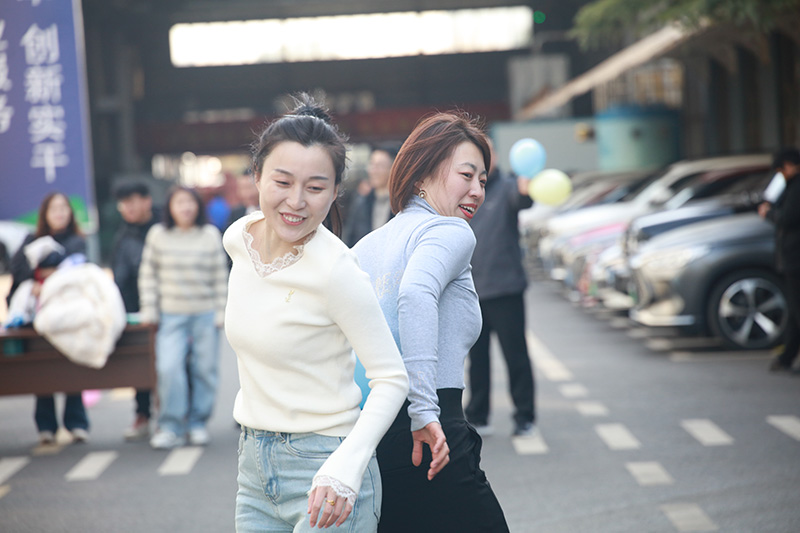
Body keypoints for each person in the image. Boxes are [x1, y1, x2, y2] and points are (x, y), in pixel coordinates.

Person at [223, 94, 408, 532]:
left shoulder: (336, 270)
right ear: (257, 175)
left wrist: (348, 465)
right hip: (253, 469)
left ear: (335, 191)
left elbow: (391, 378)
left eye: (315, 187)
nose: (296, 201)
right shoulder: (238, 240)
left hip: (328, 471)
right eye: (282, 182)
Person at [353, 112, 510, 532]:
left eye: (483, 180)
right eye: (466, 175)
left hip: (373, 434)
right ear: (422, 173)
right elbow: (415, 293)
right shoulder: (449, 232)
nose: (477, 190)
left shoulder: (365, 246)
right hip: (432, 429)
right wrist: (424, 410)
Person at [138, 186, 229, 449]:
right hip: (170, 314)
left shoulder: (210, 235)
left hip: (205, 314)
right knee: (168, 368)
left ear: (198, 206)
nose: (185, 208)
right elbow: (148, 275)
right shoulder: (158, 235)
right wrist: (149, 309)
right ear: (169, 207)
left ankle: (197, 423)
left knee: (205, 370)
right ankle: (170, 426)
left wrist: (221, 310)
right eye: (179, 202)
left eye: (190, 202)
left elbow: (219, 276)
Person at [465, 139, 537, 438]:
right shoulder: (466, 192)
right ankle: (477, 416)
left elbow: (522, 200)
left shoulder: (507, 186)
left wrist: (526, 189)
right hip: (472, 291)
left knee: (515, 357)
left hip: (506, 289)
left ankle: (525, 416)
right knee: (477, 361)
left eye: (488, 152)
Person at [7, 192, 90, 445]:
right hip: (38, 315)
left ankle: (76, 422)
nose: (60, 213)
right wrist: (39, 277)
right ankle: (46, 426)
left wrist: (46, 275)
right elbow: (18, 270)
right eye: (54, 209)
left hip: (68, 315)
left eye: (64, 208)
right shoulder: (31, 239)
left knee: (72, 365)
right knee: (41, 370)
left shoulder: (77, 240)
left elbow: (77, 271)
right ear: (45, 214)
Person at [111, 182, 158, 440]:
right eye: (123, 203)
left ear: (146, 201)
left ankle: (176, 416)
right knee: (139, 366)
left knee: (173, 366)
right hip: (134, 311)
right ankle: (143, 415)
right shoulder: (123, 237)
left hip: (166, 307)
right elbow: (119, 277)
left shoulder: (163, 227)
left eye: (132, 201)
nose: (127, 207)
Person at [765, 148, 800, 373]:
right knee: (795, 311)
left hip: (796, 258)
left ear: (788, 166)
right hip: (793, 258)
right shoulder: (792, 186)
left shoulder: (796, 187)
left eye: (781, 170)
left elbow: (788, 218)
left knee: (797, 309)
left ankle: (787, 357)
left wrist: (768, 213)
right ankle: (786, 357)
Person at [342, 145, 398, 246]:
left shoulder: (400, 205)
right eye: (372, 164)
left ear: (393, 169)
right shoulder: (361, 201)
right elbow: (350, 238)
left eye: (379, 166)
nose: (373, 171)